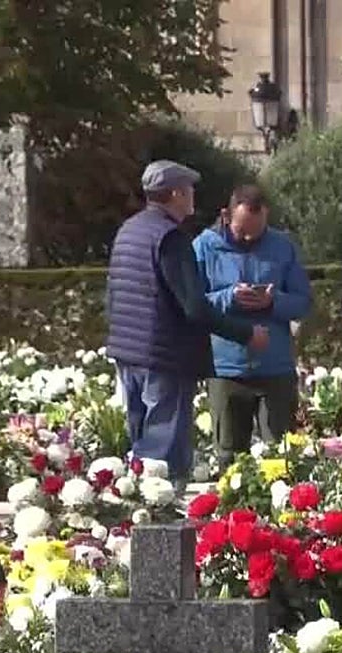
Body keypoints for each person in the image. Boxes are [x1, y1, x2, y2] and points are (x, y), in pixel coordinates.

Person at [105, 160, 269, 483]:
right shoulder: (170, 238)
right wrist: (246, 333)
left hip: (128, 353)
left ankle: (137, 521)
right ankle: (159, 526)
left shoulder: (129, 230)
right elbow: (194, 307)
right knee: (162, 457)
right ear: (177, 193)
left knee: (141, 448)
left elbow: (114, 293)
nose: (193, 195)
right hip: (164, 354)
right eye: (190, 189)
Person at [193, 184, 312, 465]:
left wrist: (273, 302)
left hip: (276, 369)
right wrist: (229, 298)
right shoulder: (204, 247)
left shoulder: (283, 247)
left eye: (256, 232)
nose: (248, 238)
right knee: (229, 460)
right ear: (226, 214)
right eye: (241, 230)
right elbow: (191, 303)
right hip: (225, 370)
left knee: (282, 459)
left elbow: (304, 302)